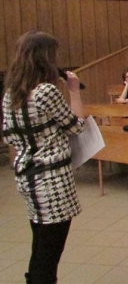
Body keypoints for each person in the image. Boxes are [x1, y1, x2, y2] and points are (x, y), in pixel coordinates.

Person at [2, 31, 85, 284]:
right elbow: (76, 126)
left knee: (40, 245)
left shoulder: (10, 94)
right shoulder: (45, 91)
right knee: (48, 255)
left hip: (28, 177)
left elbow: (9, 137)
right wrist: (74, 91)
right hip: (52, 182)